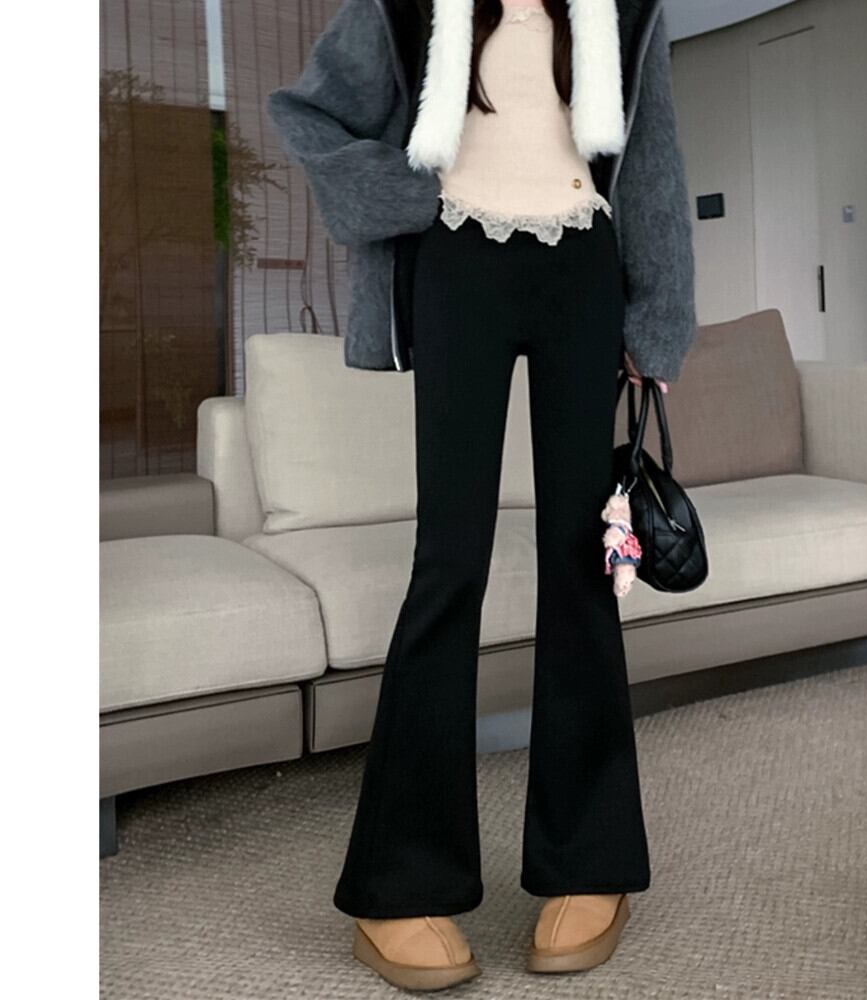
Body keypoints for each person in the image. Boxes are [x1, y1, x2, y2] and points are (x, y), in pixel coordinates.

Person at [267, 0, 696, 990]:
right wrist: (402, 192)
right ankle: (397, 885)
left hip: (582, 267)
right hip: (457, 260)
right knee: (448, 561)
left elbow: (654, 161)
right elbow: (306, 111)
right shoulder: (403, 2)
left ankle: (590, 864)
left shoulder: (627, 5)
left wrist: (659, 315)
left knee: (582, 564)